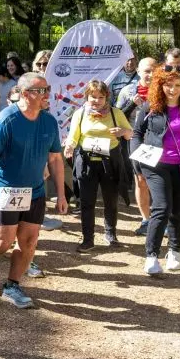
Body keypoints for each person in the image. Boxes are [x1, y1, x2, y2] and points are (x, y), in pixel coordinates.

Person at [0, 71, 67, 309]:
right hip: (6, 191)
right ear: (25, 94)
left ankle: (12, 285)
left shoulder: (49, 121)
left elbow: (55, 159)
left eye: (47, 90)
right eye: (41, 91)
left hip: (35, 191)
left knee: (28, 241)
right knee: (1, 243)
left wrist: (61, 194)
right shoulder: (5, 121)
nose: (47, 95)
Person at [131, 65, 180, 275]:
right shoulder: (150, 107)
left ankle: (174, 250)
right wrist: (136, 159)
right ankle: (151, 256)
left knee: (178, 209)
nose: (172, 90)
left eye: (177, 85)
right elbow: (137, 133)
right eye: (168, 85)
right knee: (162, 207)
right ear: (160, 85)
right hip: (155, 165)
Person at [63, 81, 132, 252]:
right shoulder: (80, 114)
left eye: (101, 97)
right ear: (87, 96)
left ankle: (110, 234)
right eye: (93, 97)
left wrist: (122, 132)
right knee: (87, 202)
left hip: (110, 162)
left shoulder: (116, 113)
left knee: (111, 200)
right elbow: (73, 136)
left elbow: (130, 134)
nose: (97, 101)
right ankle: (88, 239)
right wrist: (70, 146)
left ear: (107, 97)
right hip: (86, 162)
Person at [117, 57, 157, 235]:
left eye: (154, 70)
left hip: (160, 141)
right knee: (140, 180)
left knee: (159, 180)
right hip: (136, 140)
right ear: (138, 71)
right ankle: (146, 219)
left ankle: (161, 218)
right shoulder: (128, 91)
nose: (150, 74)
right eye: (147, 71)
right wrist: (132, 103)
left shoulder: (165, 90)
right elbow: (117, 115)